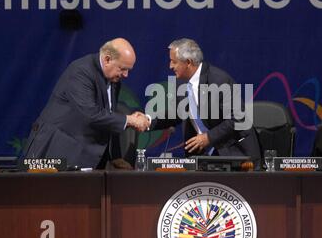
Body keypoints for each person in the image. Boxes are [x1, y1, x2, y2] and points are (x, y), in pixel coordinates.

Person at [23, 38, 149, 169]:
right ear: (107, 59)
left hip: (89, 157)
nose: (126, 74)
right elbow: (91, 114)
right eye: (123, 68)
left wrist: (114, 156)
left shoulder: (113, 78)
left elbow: (108, 115)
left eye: (128, 70)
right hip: (59, 152)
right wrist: (130, 120)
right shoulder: (81, 71)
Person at [146, 38, 261, 166]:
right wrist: (147, 120)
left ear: (188, 62)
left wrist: (208, 138)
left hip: (236, 153)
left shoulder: (218, 80)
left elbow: (238, 118)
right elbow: (175, 114)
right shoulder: (182, 83)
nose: (170, 66)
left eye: (174, 62)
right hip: (205, 156)